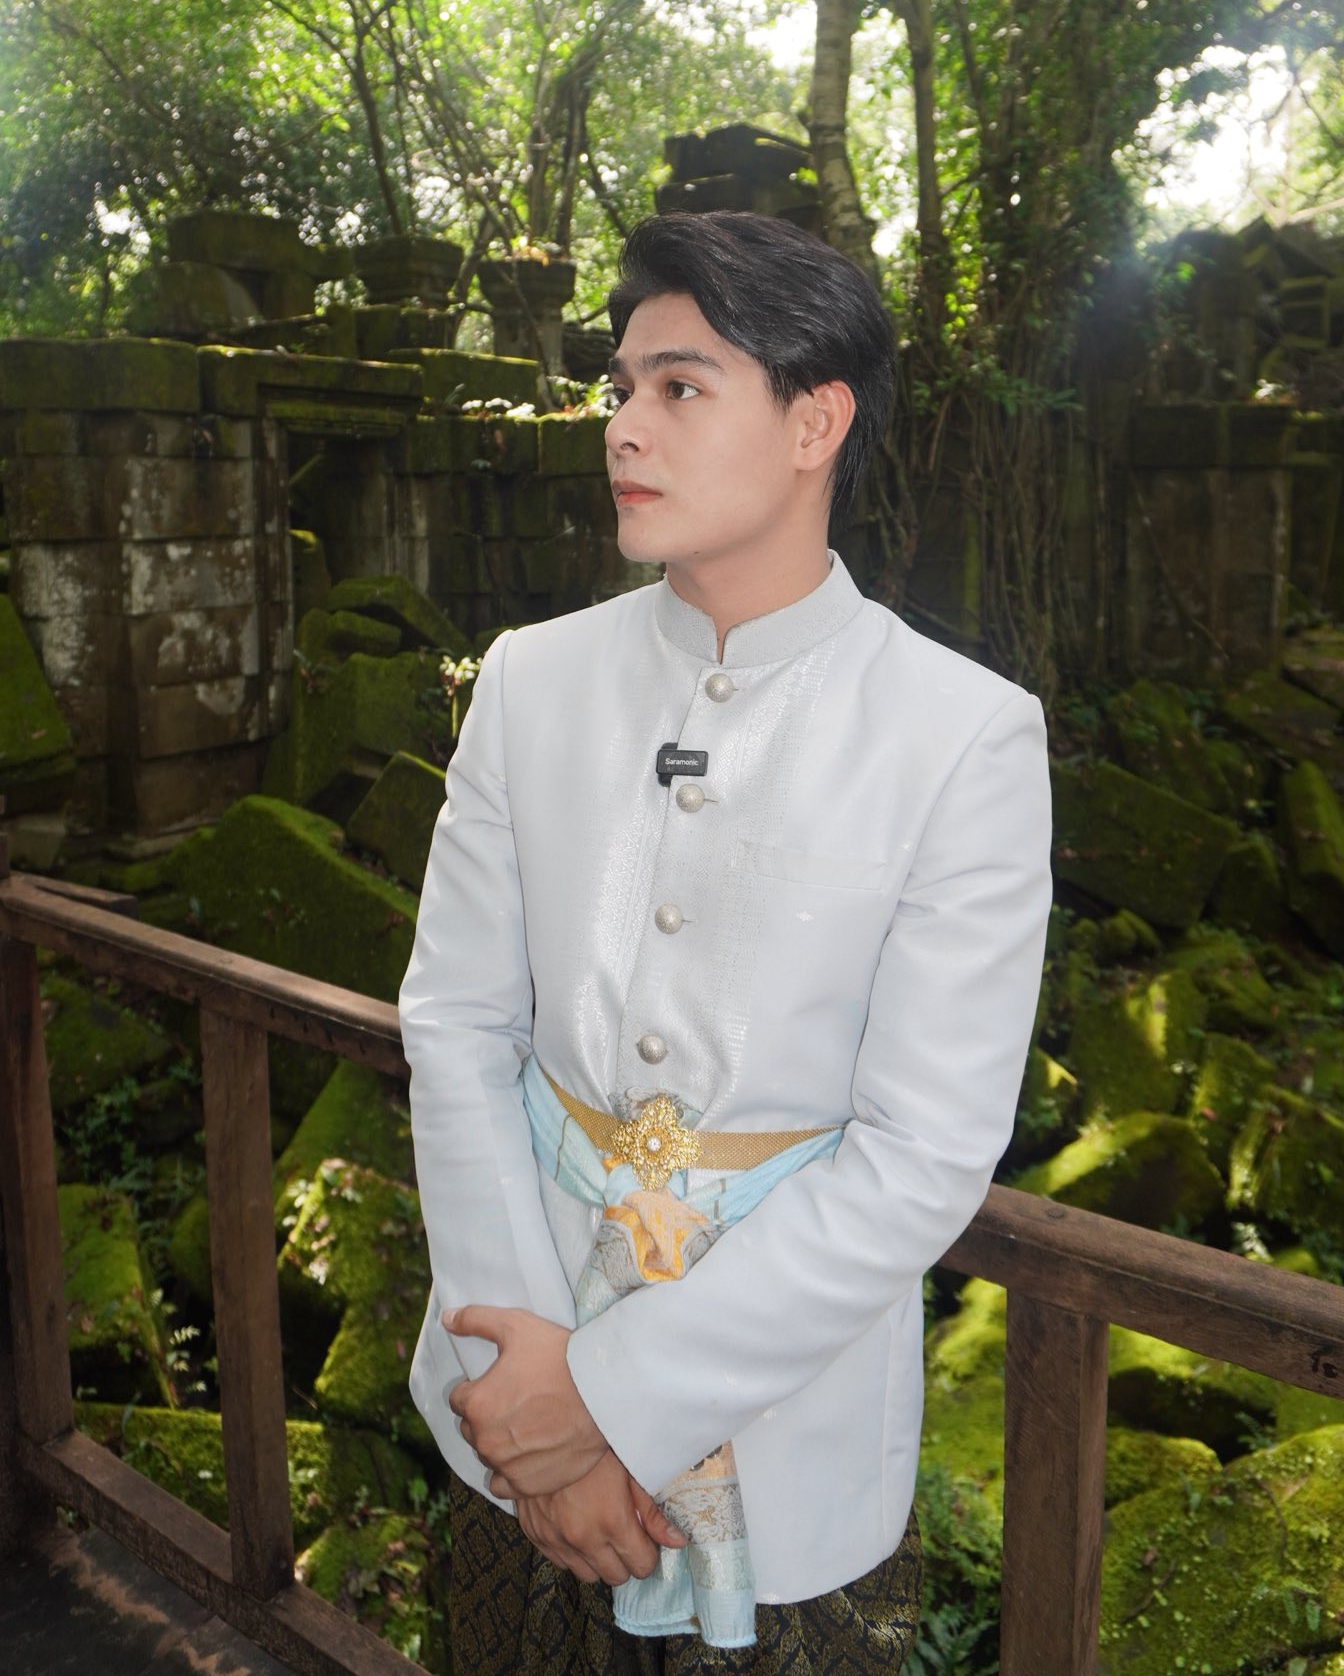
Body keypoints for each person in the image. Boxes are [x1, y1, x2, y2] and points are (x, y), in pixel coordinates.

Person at [397, 210, 1054, 1675]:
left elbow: (924, 1152)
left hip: (789, 1434)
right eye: (621, 387)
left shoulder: (960, 737)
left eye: (680, 388)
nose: (624, 427)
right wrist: (532, 1390)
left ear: (815, 422)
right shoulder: (528, 682)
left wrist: (606, 1401)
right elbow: (457, 1025)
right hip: (509, 1396)